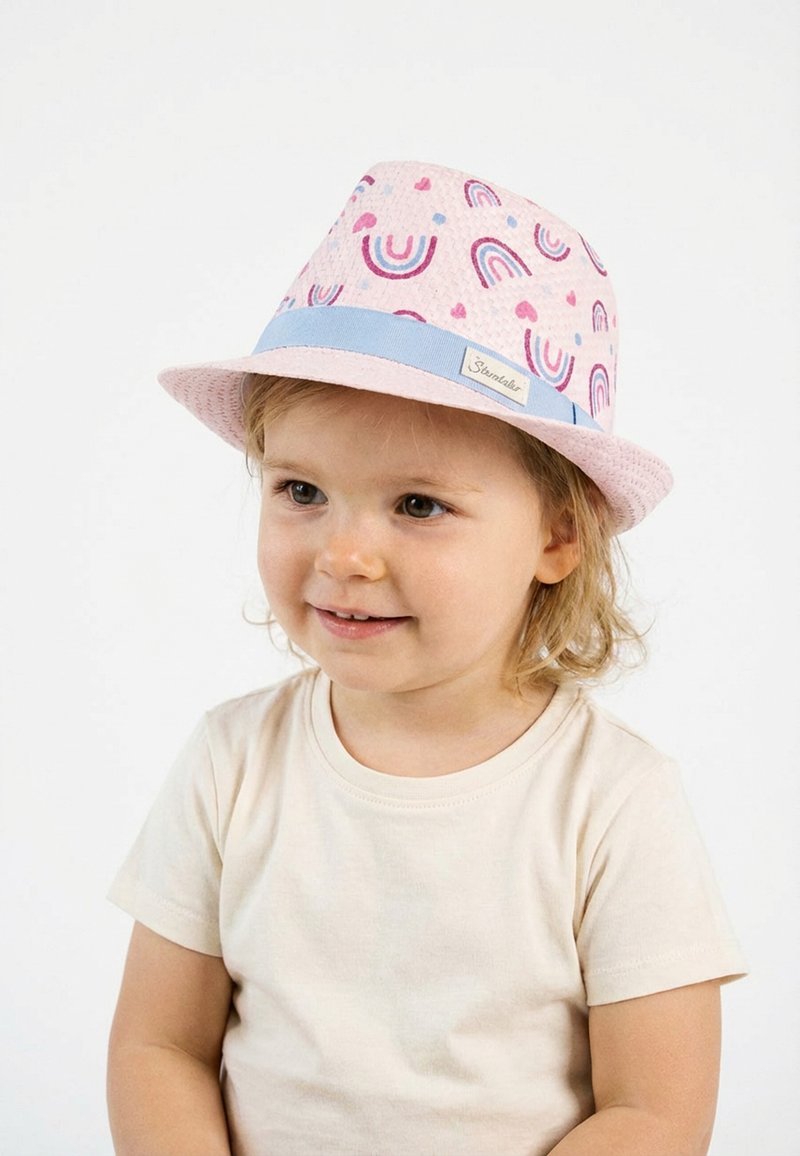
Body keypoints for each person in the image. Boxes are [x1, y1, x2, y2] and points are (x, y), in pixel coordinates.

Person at [106, 160, 747, 1156]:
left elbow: (653, 1114)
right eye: (301, 491)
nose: (344, 556)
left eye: (417, 504)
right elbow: (159, 1046)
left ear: (557, 536)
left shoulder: (611, 801)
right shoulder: (232, 762)